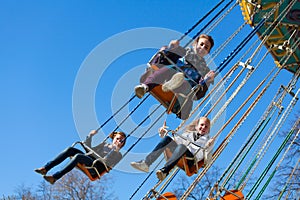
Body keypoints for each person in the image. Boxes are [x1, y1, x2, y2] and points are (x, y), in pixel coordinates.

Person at [134, 34, 215, 119]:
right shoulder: (182, 52)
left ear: (208, 52)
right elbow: (162, 59)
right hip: (169, 76)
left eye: (206, 47)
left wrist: (207, 81)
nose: (202, 48)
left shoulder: (204, 70)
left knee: (184, 82)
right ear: (195, 44)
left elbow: (198, 94)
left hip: (183, 89)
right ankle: (145, 87)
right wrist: (170, 47)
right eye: (201, 44)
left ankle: (172, 85)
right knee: (167, 69)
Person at [130, 117, 214, 181]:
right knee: (167, 139)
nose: (203, 127)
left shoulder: (207, 141)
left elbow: (207, 161)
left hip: (191, 159)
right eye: (201, 125)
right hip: (180, 151)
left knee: (181, 147)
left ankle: (165, 171)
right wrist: (163, 134)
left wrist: (208, 147)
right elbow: (176, 141)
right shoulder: (188, 134)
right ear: (196, 126)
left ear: (208, 130)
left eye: (206, 127)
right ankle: (146, 163)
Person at [34, 130, 126, 184]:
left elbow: (108, 164)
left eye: (121, 141)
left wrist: (115, 150)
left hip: (95, 167)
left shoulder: (118, 155)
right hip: (88, 159)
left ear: (123, 144)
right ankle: (46, 168)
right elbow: (89, 149)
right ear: (113, 138)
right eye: (117, 139)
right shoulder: (104, 144)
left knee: (78, 156)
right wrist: (90, 136)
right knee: (70, 150)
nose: (118, 141)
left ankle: (54, 177)